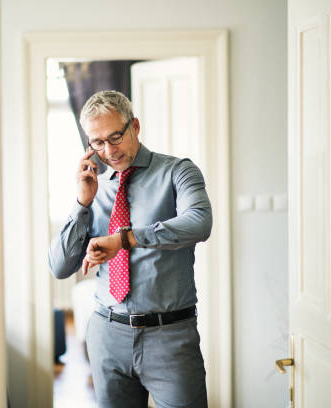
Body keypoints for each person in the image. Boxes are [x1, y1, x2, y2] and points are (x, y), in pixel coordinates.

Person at [48, 90, 212, 408]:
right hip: (108, 336)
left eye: (116, 137)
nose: (109, 151)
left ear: (135, 126)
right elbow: (59, 266)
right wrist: (82, 203)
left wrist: (125, 239)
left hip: (170, 336)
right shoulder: (94, 188)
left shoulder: (178, 171)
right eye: (97, 142)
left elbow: (199, 223)